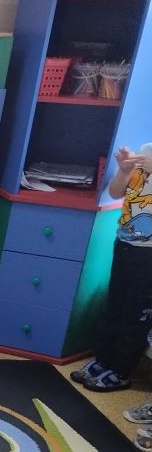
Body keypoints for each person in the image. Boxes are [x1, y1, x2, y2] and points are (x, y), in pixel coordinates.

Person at [71, 144, 152, 392]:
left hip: (148, 253)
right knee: (114, 305)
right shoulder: (146, 150)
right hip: (126, 243)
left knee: (135, 314)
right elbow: (116, 193)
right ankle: (104, 360)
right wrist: (124, 170)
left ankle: (121, 371)